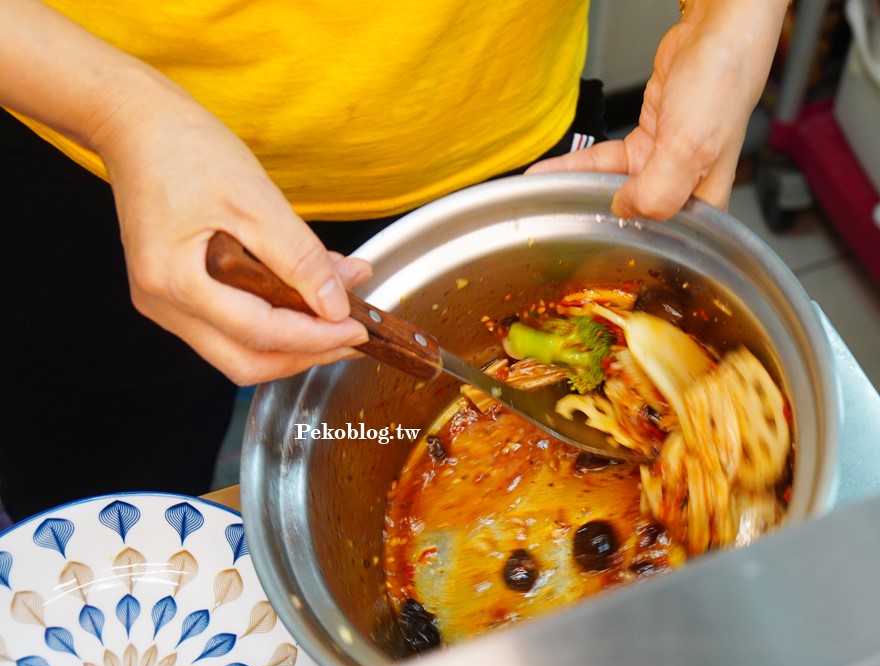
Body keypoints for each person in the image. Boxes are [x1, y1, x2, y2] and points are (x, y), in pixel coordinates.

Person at [0, 0, 791, 521]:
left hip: (500, 149)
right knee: (97, 504)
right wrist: (119, 113)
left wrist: (732, 22)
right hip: (90, 148)